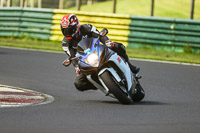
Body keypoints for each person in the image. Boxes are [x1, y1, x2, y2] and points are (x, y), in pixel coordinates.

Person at [60, 14, 140, 91]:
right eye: (65, 30)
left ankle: (130, 66)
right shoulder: (65, 43)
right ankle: (102, 84)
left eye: (69, 30)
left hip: (98, 50)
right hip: (85, 61)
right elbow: (72, 56)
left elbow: (100, 35)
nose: (67, 33)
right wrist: (76, 66)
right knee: (78, 83)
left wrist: (107, 42)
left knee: (117, 46)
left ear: (76, 27)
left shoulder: (87, 27)